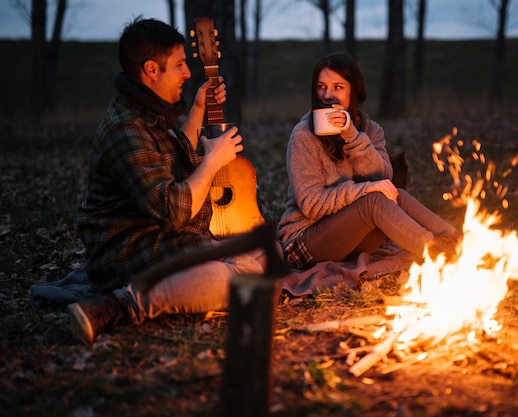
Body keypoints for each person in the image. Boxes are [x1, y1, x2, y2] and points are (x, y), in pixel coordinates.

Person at [67, 17, 266, 345]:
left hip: (160, 236)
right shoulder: (125, 129)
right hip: (129, 248)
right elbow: (174, 209)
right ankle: (118, 306)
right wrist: (214, 159)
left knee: (261, 253)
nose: (187, 73)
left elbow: (174, 157)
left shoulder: (146, 112)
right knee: (243, 276)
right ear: (151, 70)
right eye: (179, 65)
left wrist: (200, 108)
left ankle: (190, 282)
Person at [277, 52, 461, 271]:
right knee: (374, 199)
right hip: (305, 243)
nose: (327, 95)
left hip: (351, 239)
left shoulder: (371, 130)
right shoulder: (303, 136)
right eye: (321, 87)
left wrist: (351, 136)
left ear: (354, 90)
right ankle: (437, 255)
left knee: (395, 194)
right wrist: (364, 190)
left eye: (337, 87)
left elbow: (383, 179)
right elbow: (311, 204)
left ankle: (458, 241)